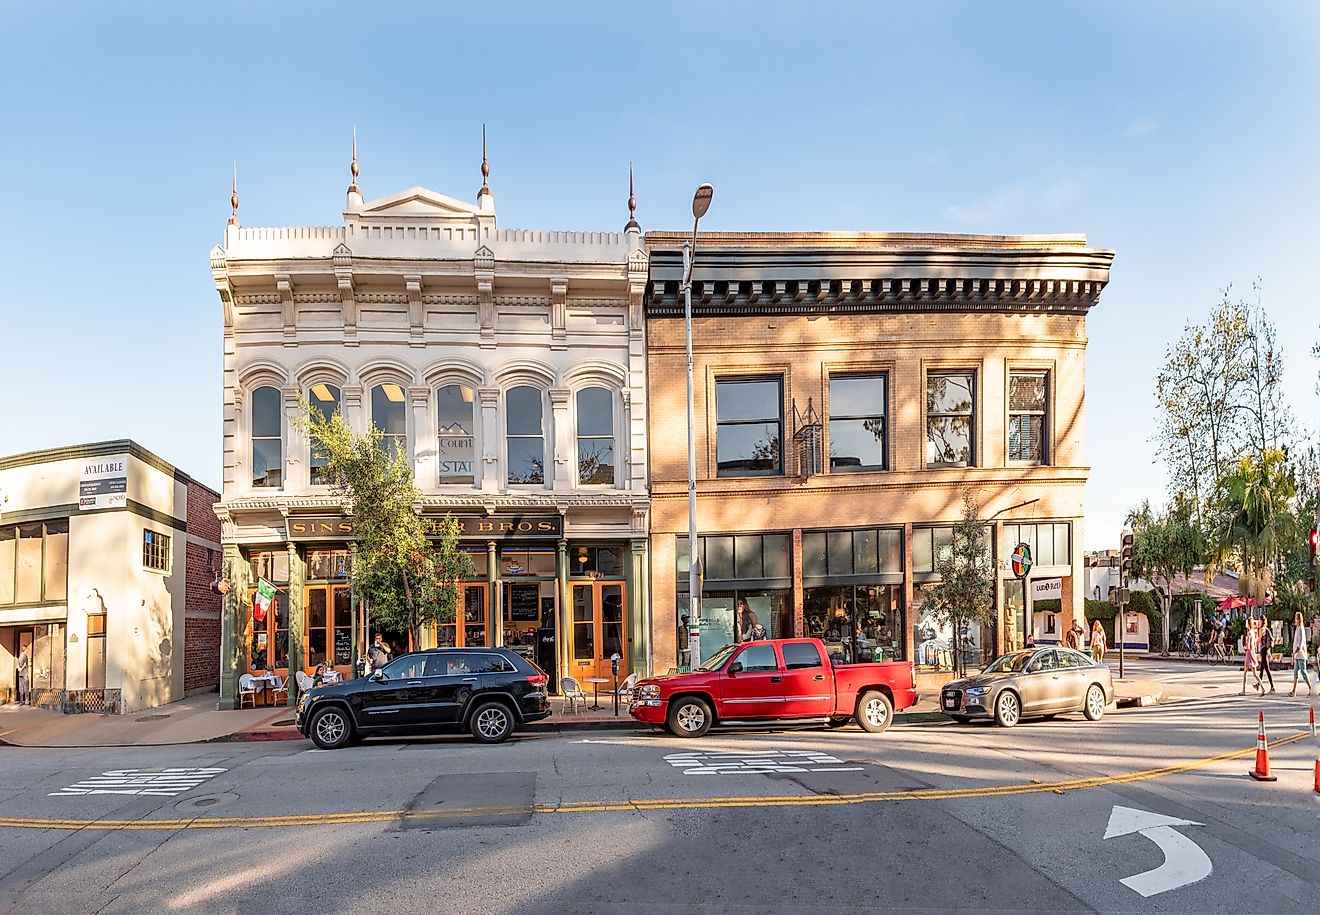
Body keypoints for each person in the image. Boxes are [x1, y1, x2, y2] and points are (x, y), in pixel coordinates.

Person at [1290, 611, 1313, 697]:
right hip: (1297, 655)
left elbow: (1300, 643)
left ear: (1299, 619)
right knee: (1295, 672)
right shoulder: (1297, 629)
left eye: (1296, 618)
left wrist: (1294, 652)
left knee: (1303, 672)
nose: (1295, 620)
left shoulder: (1301, 629)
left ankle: (1311, 688)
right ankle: (1293, 691)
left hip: (1301, 654)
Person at [1241, 617, 1263, 696]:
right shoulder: (1253, 632)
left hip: (1249, 653)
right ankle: (1262, 688)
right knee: (1254, 673)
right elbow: (1254, 644)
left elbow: (1249, 645)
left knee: (1245, 672)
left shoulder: (1249, 633)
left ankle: (1243, 690)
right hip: (1253, 652)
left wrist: (1245, 648)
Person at [1257, 619, 1276, 694]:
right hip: (1266, 650)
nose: (1258, 622)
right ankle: (1258, 684)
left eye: (1259, 620)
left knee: (1267, 670)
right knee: (1261, 669)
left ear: (1262, 621)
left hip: (1263, 650)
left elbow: (1258, 641)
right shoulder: (1267, 629)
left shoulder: (1261, 629)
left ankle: (1272, 687)